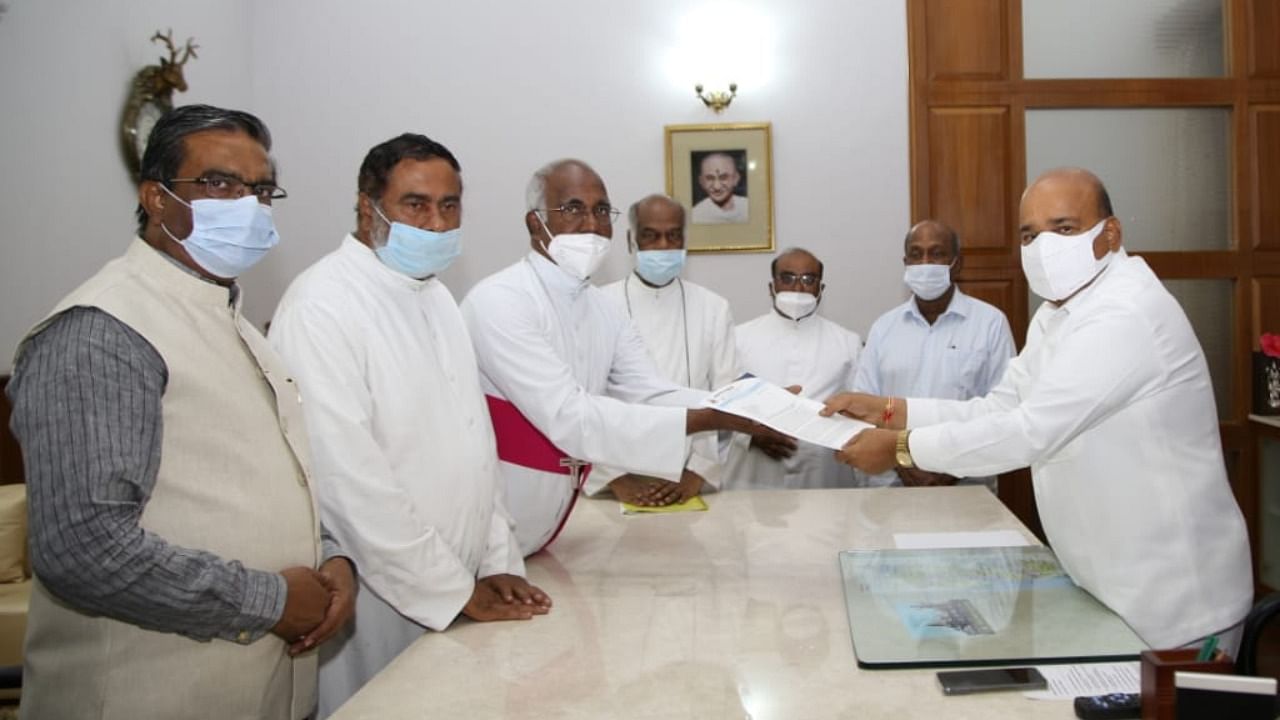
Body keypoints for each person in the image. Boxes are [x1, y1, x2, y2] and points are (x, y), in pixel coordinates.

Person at [5, 104, 354, 719]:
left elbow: (271, 478)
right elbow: (85, 549)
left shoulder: (239, 325)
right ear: (157, 198)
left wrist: (334, 559)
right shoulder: (102, 330)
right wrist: (272, 600)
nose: (246, 204)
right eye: (219, 183)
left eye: (260, 189)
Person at [825, 168, 1252, 652]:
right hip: (1105, 584)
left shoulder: (1125, 314)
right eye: (1029, 234)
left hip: (1175, 603)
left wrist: (901, 448)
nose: (1044, 246)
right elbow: (999, 407)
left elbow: (1028, 432)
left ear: (1109, 234)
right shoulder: (1057, 313)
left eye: (1064, 228)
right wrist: (888, 409)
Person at [268, 134, 550, 717]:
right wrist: (452, 588)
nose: (437, 222)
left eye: (450, 206)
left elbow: (477, 446)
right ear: (366, 207)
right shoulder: (321, 305)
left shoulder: (438, 298)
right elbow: (348, 481)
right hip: (379, 594)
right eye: (416, 204)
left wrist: (497, 559)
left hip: (463, 580)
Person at [460, 159, 792, 556]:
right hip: (497, 513)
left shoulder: (601, 308)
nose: (591, 223)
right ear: (535, 223)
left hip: (552, 516)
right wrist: (712, 417)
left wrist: (748, 403)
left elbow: (648, 391)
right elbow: (569, 415)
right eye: (573, 209)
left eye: (601, 210)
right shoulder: (501, 299)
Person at [596, 194, 740, 504]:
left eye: (673, 235)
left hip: (688, 478)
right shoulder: (598, 305)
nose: (663, 245)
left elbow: (727, 399)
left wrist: (698, 474)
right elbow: (584, 398)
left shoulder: (713, 308)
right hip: (617, 478)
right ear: (631, 240)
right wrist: (615, 478)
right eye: (651, 236)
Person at [852, 220, 1015, 489]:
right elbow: (864, 406)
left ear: (957, 263)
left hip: (966, 484)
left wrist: (951, 467)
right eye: (916, 255)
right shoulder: (884, 328)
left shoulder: (990, 323)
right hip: (893, 484)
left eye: (936, 253)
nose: (925, 262)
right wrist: (901, 461)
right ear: (906, 263)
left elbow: (1004, 410)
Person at [728, 248, 860, 489]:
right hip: (754, 476)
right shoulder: (737, 339)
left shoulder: (848, 343)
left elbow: (860, 412)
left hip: (823, 477)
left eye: (809, 280)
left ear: (821, 290)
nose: (798, 289)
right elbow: (718, 407)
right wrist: (748, 435)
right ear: (772, 287)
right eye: (787, 278)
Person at [691, 152, 749, 224]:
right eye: (710, 178)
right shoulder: (696, 216)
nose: (717, 187)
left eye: (724, 178)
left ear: (736, 179)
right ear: (701, 181)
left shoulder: (748, 207)